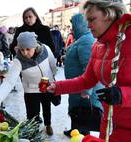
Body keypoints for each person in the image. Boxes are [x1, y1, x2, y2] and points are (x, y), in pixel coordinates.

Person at [47, 0, 131, 141]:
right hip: (110, 122)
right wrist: (58, 87)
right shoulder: (98, 45)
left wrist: (123, 95)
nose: (88, 25)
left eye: (92, 19)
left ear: (109, 14)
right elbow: (87, 80)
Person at [0, 32, 57, 135]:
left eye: (28, 49)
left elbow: (53, 65)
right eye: (22, 50)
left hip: (46, 87)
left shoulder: (46, 50)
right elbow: (9, 81)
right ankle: (33, 132)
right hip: (31, 91)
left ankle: (48, 124)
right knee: (32, 115)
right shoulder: (18, 61)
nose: (25, 53)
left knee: (47, 108)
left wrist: (52, 80)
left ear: (35, 46)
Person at [62, 13, 103, 137]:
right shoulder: (82, 39)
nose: (72, 29)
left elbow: (89, 67)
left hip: (84, 88)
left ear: (81, 25)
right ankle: (75, 131)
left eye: (74, 26)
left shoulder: (86, 40)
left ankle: (82, 136)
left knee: (82, 113)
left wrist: (87, 90)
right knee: (76, 110)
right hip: (77, 86)